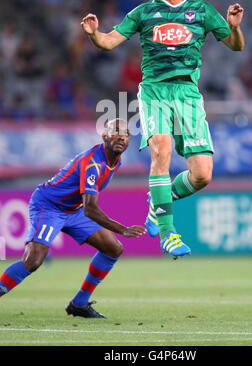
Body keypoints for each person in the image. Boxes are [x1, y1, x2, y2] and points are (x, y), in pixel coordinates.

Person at [81, 0, 245, 258]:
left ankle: (159, 202)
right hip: (155, 90)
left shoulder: (202, 11)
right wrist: (93, 34)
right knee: (161, 147)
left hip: (188, 94)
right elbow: (108, 42)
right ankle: (168, 233)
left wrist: (235, 28)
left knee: (202, 175)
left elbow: (236, 46)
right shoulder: (143, 13)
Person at [0, 119, 145, 318]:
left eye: (126, 134)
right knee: (33, 260)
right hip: (49, 206)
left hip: (73, 210)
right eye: (116, 132)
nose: (121, 136)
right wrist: (122, 228)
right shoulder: (93, 162)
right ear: (104, 137)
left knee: (113, 248)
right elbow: (91, 209)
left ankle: (79, 303)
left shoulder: (115, 160)